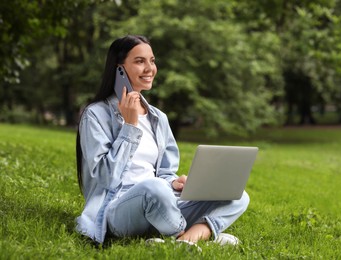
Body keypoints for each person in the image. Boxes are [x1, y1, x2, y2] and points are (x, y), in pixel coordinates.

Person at [75, 35, 250, 248]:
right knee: (154, 188)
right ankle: (201, 235)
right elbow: (104, 178)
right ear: (119, 69)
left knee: (237, 195)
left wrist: (173, 183)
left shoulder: (158, 118)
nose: (150, 68)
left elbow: (165, 173)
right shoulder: (95, 115)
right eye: (140, 61)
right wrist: (129, 128)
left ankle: (187, 238)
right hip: (116, 210)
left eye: (152, 60)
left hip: (159, 202)